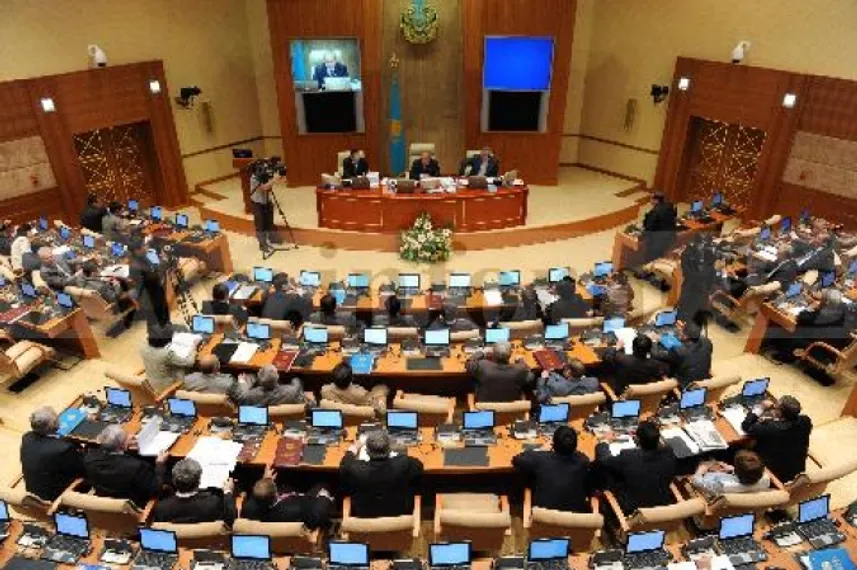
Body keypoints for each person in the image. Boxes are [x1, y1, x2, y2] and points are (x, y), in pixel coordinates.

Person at [594, 421, 678, 512]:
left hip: (632, 508)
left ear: (637, 439)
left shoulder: (629, 456)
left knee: (602, 472)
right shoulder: (669, 452)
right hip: (661, 504)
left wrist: (604, 441)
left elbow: (604, 460)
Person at [339, 431, 423, 518]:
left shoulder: (355, 469)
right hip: (398, 515)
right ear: (389, 449)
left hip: (364, 516)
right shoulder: (403, 464)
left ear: (367, 451)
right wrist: (398, 456)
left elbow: (345, 465)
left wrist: (353, 448)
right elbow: (419, 466)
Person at [83, 425, 169, 508]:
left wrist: (125, 446)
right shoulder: (136, 467)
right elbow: (156, 489)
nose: (130, 436)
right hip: (137, 504)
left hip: (107, 502)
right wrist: (160, 464)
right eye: (126, 436)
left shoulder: (89, 459)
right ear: (121, 445)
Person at [512, 426, 591, 511]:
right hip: (575, 516)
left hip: (542, 517)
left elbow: (516, 459)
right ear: (575, 445)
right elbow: (582, 456)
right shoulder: (583, 462)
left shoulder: (541, 459)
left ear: (553, 444)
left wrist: (542, 449)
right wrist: (570, 447)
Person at [741, 395, 812, 482]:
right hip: (796, 472)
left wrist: (761, 408)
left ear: (779, 413)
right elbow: (787, 426)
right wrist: (773, 420)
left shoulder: (770, 428)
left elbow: (746, 426)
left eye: (776, 406)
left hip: (774, 475)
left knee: (738, 449)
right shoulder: (805, 421)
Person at [20, 406, 85, 500]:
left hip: (33, 492)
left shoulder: (27, 438)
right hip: (57, 496)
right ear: (54, 424)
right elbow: (82, 469)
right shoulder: (63, 449)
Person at [241, 466, 334, 530]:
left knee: (286, 477)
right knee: (323, 483)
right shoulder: (297, 509)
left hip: (288, 499)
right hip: (302, 499)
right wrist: (324, 497)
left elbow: (258, 494)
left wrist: (266, 481)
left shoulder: (248, 509)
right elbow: (316, 517)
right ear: (276, 494)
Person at [152, 458, 236, 525]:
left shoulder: (161, 509)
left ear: (174, 481)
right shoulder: (213, 503)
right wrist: (228, 492)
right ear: (198, 482)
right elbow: (230, 520)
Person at [467, 342, 534, 402]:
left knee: (474, 378)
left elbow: (469, 365)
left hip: (485, 404)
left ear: (493, 354)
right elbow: (531, 377)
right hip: (511, 404)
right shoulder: (519, 369)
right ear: (510, 354)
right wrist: (521, 360)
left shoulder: (482, 365)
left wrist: (481, 352)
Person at [650, 322, 712, 388]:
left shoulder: (679, 350)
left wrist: (654, 341)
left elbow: (655, 354)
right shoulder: (707, 342)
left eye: (681, 332)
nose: (680, 333)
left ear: (685, 336)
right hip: (704, 378)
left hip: (687, 383)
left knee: (657, 362)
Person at [141, 323, 196, 393]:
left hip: (151, 383)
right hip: (169, 387)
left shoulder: (143, 346)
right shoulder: (166, 353)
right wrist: (194, 347)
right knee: (192, 367)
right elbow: (190, 362)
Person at [603, 335, 668, 394]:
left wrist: (617, 348)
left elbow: (607, 357)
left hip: (622, 393)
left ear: (633, 348)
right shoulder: (655, 365)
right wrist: (654, 343)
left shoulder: (622, 359)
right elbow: (664, 376)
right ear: (649, 350)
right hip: (643, 395)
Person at [691, 450, 771, 497]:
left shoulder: (722, 484)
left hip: (711, 492)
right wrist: (733, 470)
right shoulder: (766, 480)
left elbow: (697, 482)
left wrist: (700, 470)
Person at [320, 362, 389, 415]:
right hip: (362, 411)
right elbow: (377, 408)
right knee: (382, 387)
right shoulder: (361, 394)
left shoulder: (324, 390)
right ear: (352, 378)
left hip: (344, 418)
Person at [129, 238, 169, 326]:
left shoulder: (143, 259)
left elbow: (154, 269)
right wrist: (164, 261)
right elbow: (156, 276)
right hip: (150, 300)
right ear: (137, 251)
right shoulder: (137, 267)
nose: (146, 247)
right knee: (158, 323)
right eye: (143, 245)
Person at [230, 365, 313, 407]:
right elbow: (298, 384)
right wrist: (296, 377)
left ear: (259, 380)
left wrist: (242, 381)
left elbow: (243, 396)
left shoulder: (251, 395)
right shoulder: (292, 391)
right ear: (278, 377)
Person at [249, 164, 283, 254]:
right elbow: (264, 187)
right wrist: (274, 179)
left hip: (267, 201)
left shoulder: (265, 175)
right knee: (260, 224)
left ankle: (273, 238)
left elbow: (271, 183)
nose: (265, 170)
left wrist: (278, 176)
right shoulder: (254, 178)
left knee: (270, 221)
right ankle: (263, 244)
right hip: (258, 203)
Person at [535, 359, 600, 403]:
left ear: (569, 372)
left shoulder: (557, 388)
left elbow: (541, 397)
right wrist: (553, 373)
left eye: (565, 368)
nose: (563, 367)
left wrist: (543, 378)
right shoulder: (594, 382)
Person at [642, 192, 678, 263]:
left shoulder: (655, 212)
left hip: (658, 242)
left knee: (650, 260)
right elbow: (674, 217)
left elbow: (649, 228)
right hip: (670, 238)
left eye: (651, 198)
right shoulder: (670, 206)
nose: (650, 200)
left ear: (656, 200)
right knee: (660, 255)